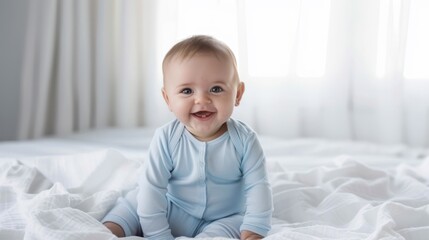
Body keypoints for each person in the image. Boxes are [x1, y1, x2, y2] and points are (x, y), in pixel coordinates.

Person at [102, 35, 273, 240]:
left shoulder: (245, 141)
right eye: (186, 91)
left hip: (223, 216)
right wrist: (157, 235)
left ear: (238, 94)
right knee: (132, 206)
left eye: (216, 89)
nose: (202, 99)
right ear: (168, 99)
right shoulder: (166, 138)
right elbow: (153, 189)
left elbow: (258, 187)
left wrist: (254, 229)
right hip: (170, 206)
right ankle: (107, 232)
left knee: (232, 227)